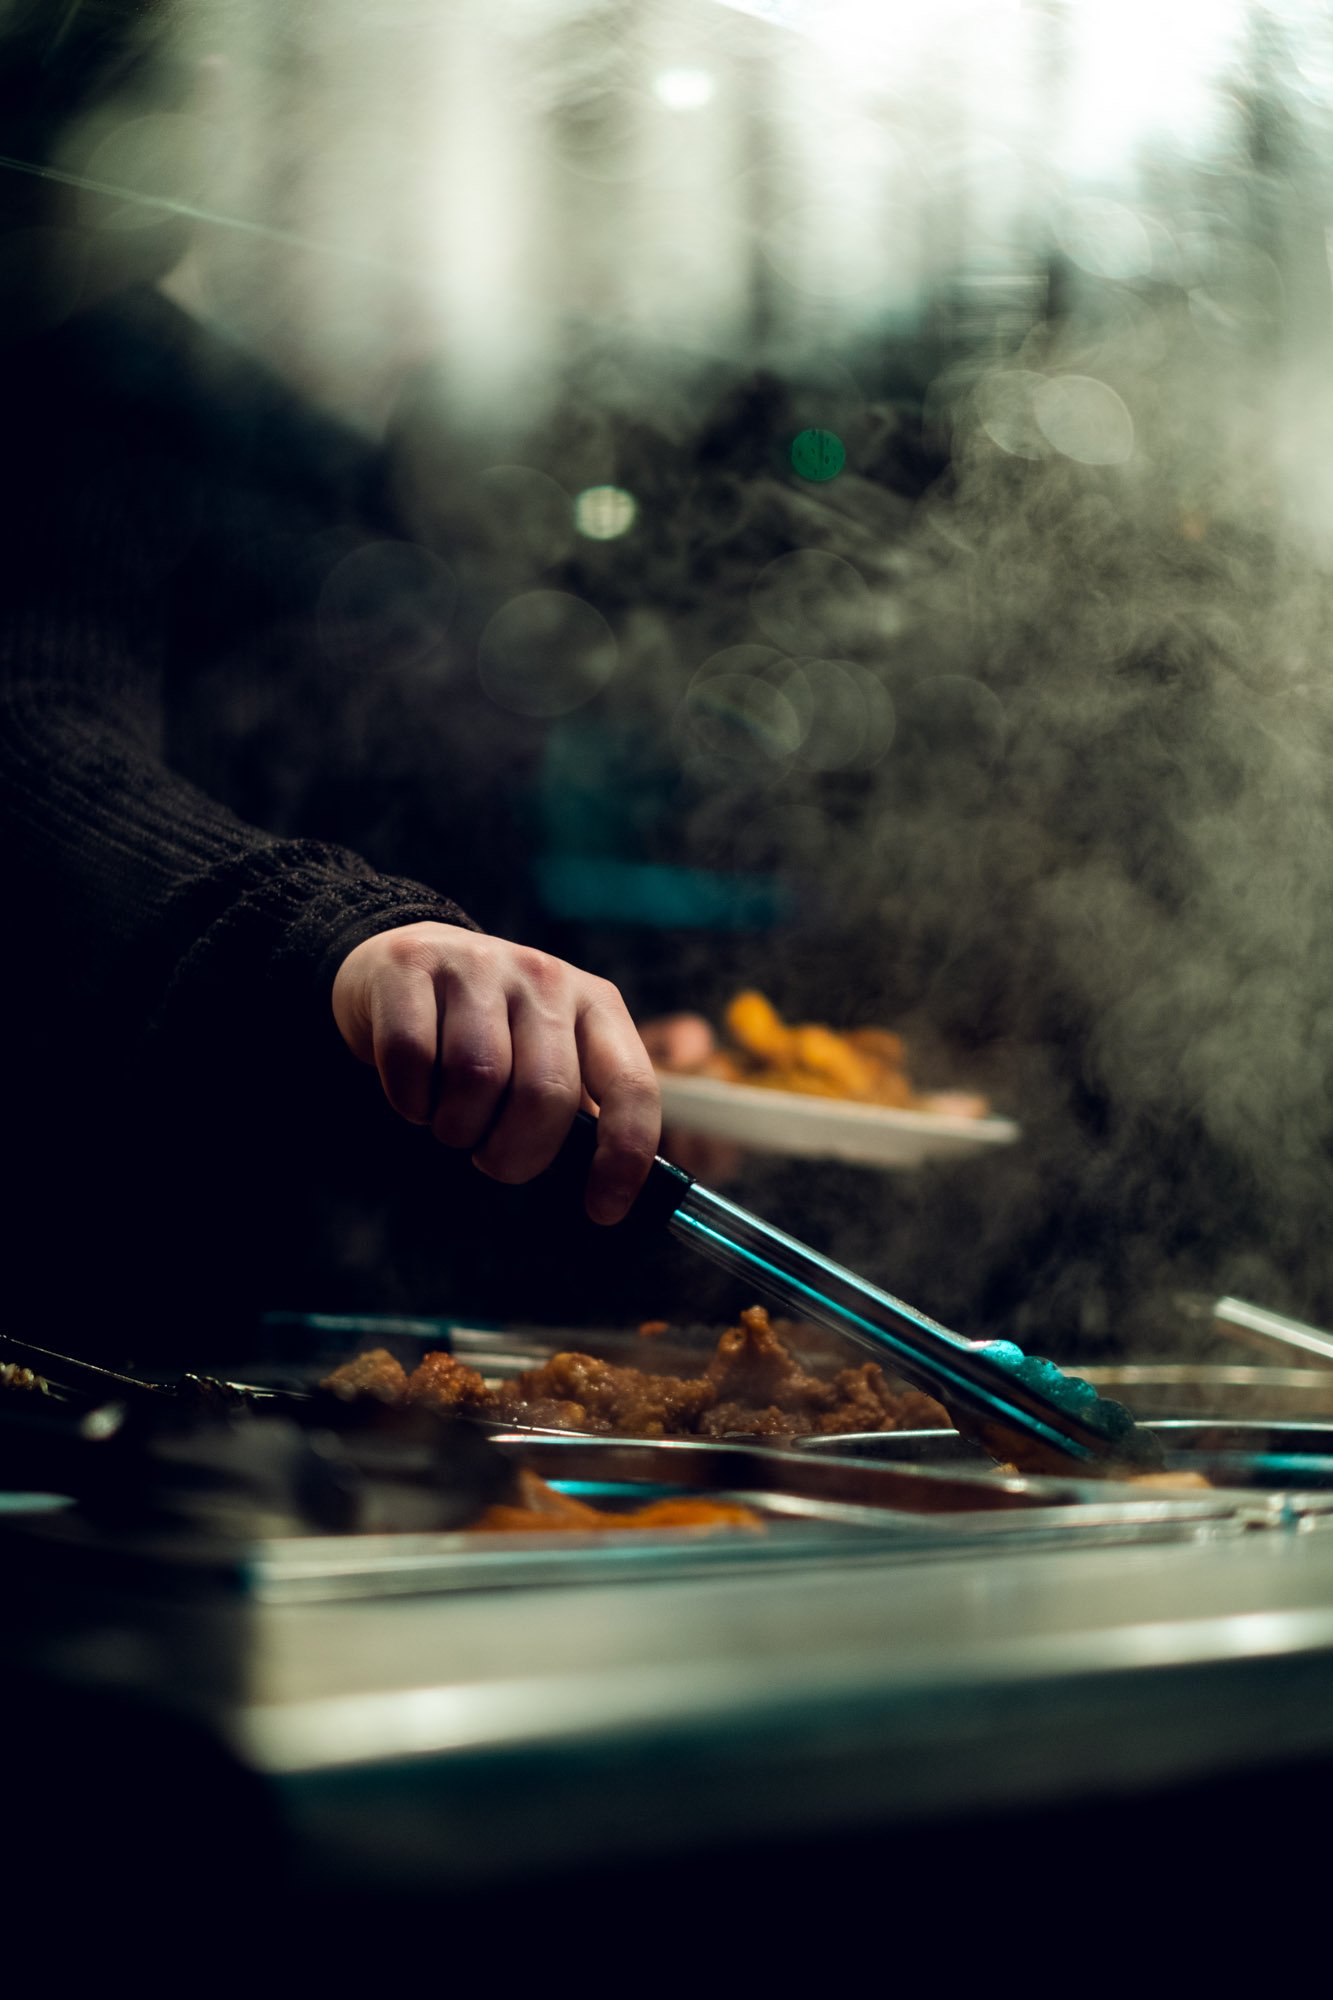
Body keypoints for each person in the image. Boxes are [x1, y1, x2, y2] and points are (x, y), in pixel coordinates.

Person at [0, 7, 665, 1362]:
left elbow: (458, 876)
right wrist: (344, 939)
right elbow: (30, 739)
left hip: (358, 1336)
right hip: (98, 1328)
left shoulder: (399, 489)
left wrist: (602, 1037)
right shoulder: (80, 385)